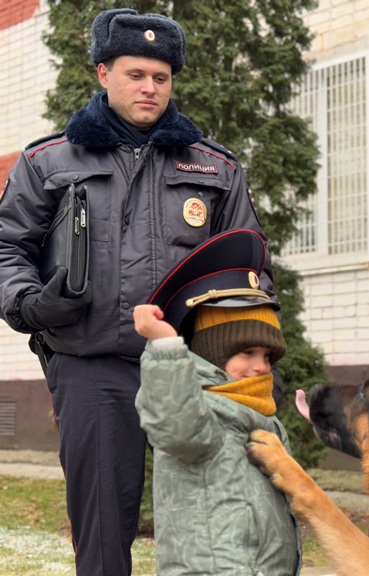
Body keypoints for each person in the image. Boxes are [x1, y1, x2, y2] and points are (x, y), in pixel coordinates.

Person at [0, 9, 275, 575]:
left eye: (161, 77)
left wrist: (245, 357)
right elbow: (7, 248)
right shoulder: (48, 162)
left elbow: (249, 271)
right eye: (135, 74)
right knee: (102, 533)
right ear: (103, 73)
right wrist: (31, 304)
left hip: (191, 372)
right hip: (90, 366)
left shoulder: (215, 167)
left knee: (212, 525)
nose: (149, 87)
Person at [133, 228, 300, 576]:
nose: (261, 366)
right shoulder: (200, 411)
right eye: (247, 352)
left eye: (268, 356)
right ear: (210, 354)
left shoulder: (259, 414)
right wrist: (165, 347)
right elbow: (174, 425)